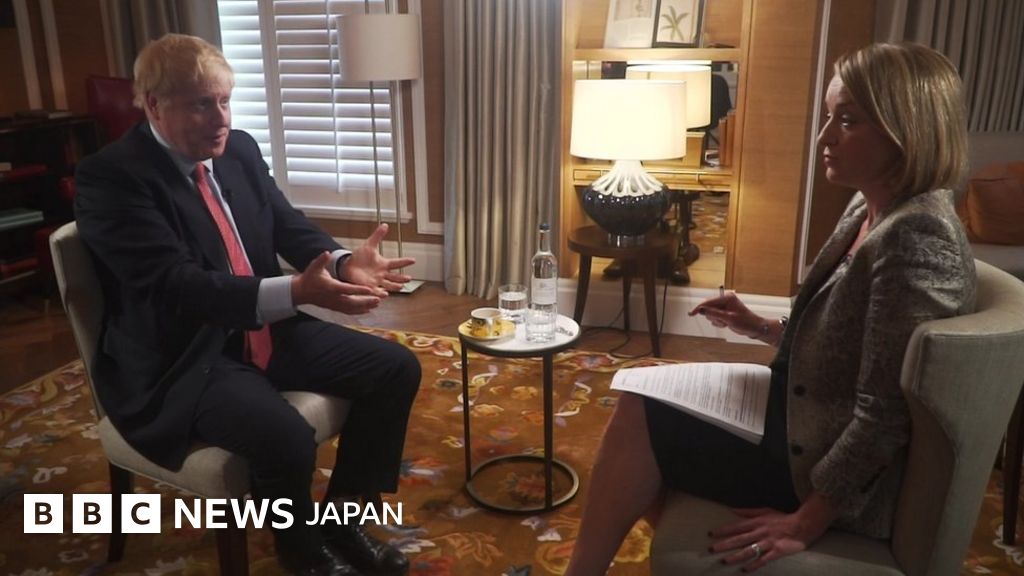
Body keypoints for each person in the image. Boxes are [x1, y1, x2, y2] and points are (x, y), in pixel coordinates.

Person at [565, 42, 975, 574]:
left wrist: (805, 523)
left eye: (846, 121)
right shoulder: (868, 205)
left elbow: (885, 415)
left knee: (641, 420)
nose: (824, 138)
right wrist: (762, 326)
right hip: (804, 409)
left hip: (820, 458)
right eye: (828, 117)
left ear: (906, 129)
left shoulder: (917, 236)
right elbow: (856, 344)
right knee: (644, 390)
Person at [75, 34, 421, 576]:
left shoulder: (237, 148)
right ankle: (301, 552)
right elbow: (178, 286)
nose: (221, 119)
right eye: (201, 104)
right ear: (154, 105)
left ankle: (343, 520)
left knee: (395, 368)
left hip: (260, 328)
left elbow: (284, 222)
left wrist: (341, 262)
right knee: (285, 437)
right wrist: (297, 292)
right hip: (182, 355)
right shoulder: (112, 177)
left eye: (225, 100)